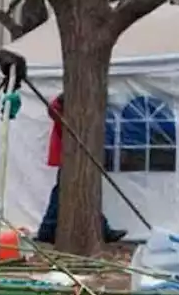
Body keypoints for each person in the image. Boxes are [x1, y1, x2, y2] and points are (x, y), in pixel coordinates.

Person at [36, 94, 127, 244]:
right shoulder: (62, 115)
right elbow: (53, 109)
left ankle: (48, 229)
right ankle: (48, 229)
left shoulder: (82, 118)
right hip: (68, 158)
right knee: (64, 191)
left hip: (80, 157)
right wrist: (61, 99)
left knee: (74, 191)